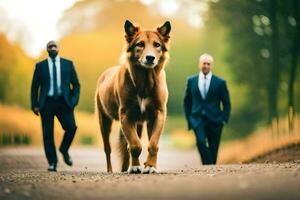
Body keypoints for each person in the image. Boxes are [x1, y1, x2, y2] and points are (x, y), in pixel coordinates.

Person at [31, 41, 80, 171]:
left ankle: (64, 149)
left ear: (59, 48)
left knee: (71, 127)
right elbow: (35, 87)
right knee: (47, 133)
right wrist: (34, 104)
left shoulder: (68, 64)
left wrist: (73, 100)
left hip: (64, 103)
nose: (52, 48)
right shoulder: (40, 66)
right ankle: (52, 162)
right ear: (47, 49)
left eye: (54, 46)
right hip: (46, 103)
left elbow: (76, 84)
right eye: (50, 46)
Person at [183, 53, 231, 165]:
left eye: (208, 64)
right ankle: (208, 167)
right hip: (197, 119)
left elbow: (227, 103)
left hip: (215, 120)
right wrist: (189, 119)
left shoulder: (220, 83)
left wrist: (223, 119)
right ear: (199, 64)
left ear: (211, 65)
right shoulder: (191, 81)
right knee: (200, 142)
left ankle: (209, 169)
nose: (206, 66)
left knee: (214, 149)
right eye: (204, 63)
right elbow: (187, 101)